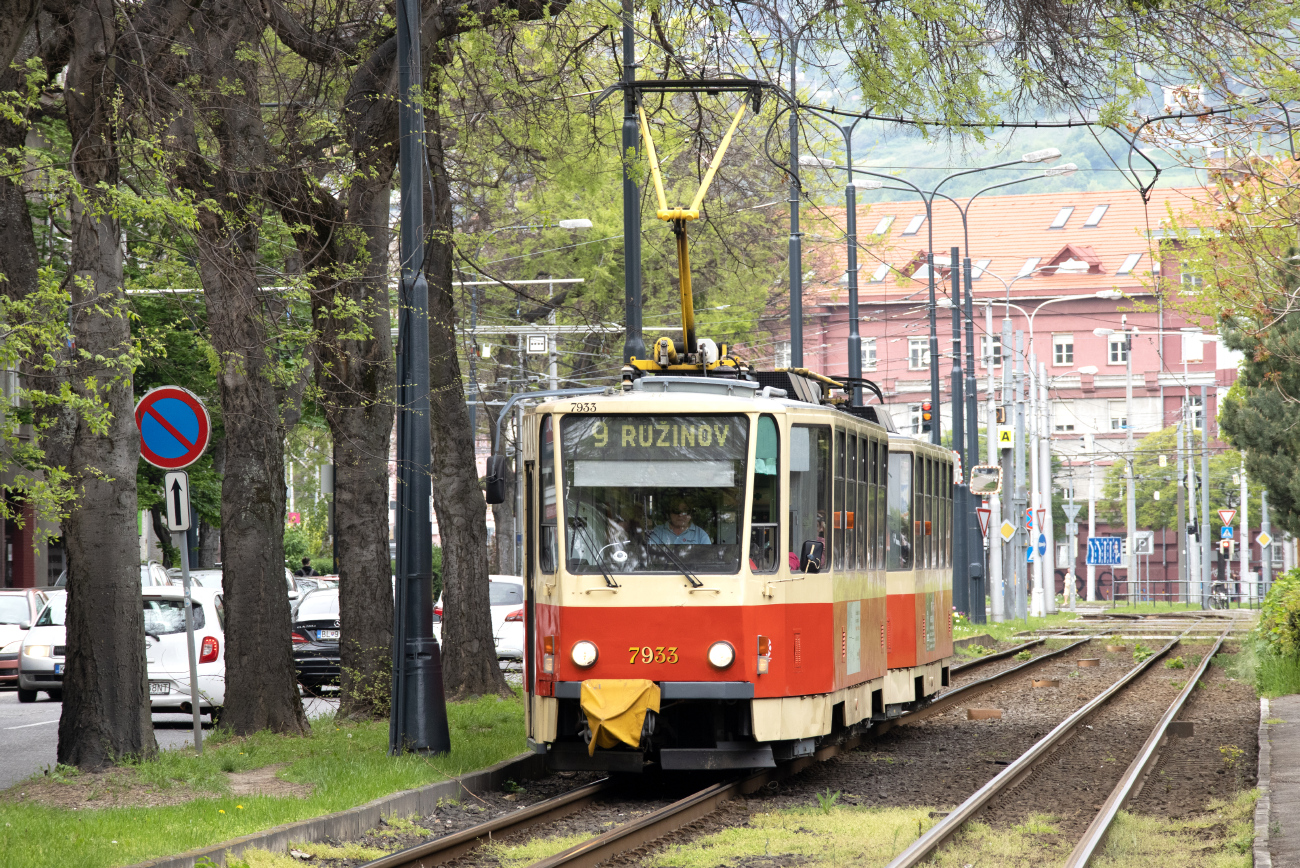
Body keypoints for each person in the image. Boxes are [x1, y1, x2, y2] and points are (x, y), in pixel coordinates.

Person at [648, 498, 712, 545]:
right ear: (669, 513)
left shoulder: (701, 535)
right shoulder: (658, 532)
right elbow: (650, 555)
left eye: (685, 511)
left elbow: (707, 559)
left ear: (691, 514)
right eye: (676, 511)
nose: (680, 515)